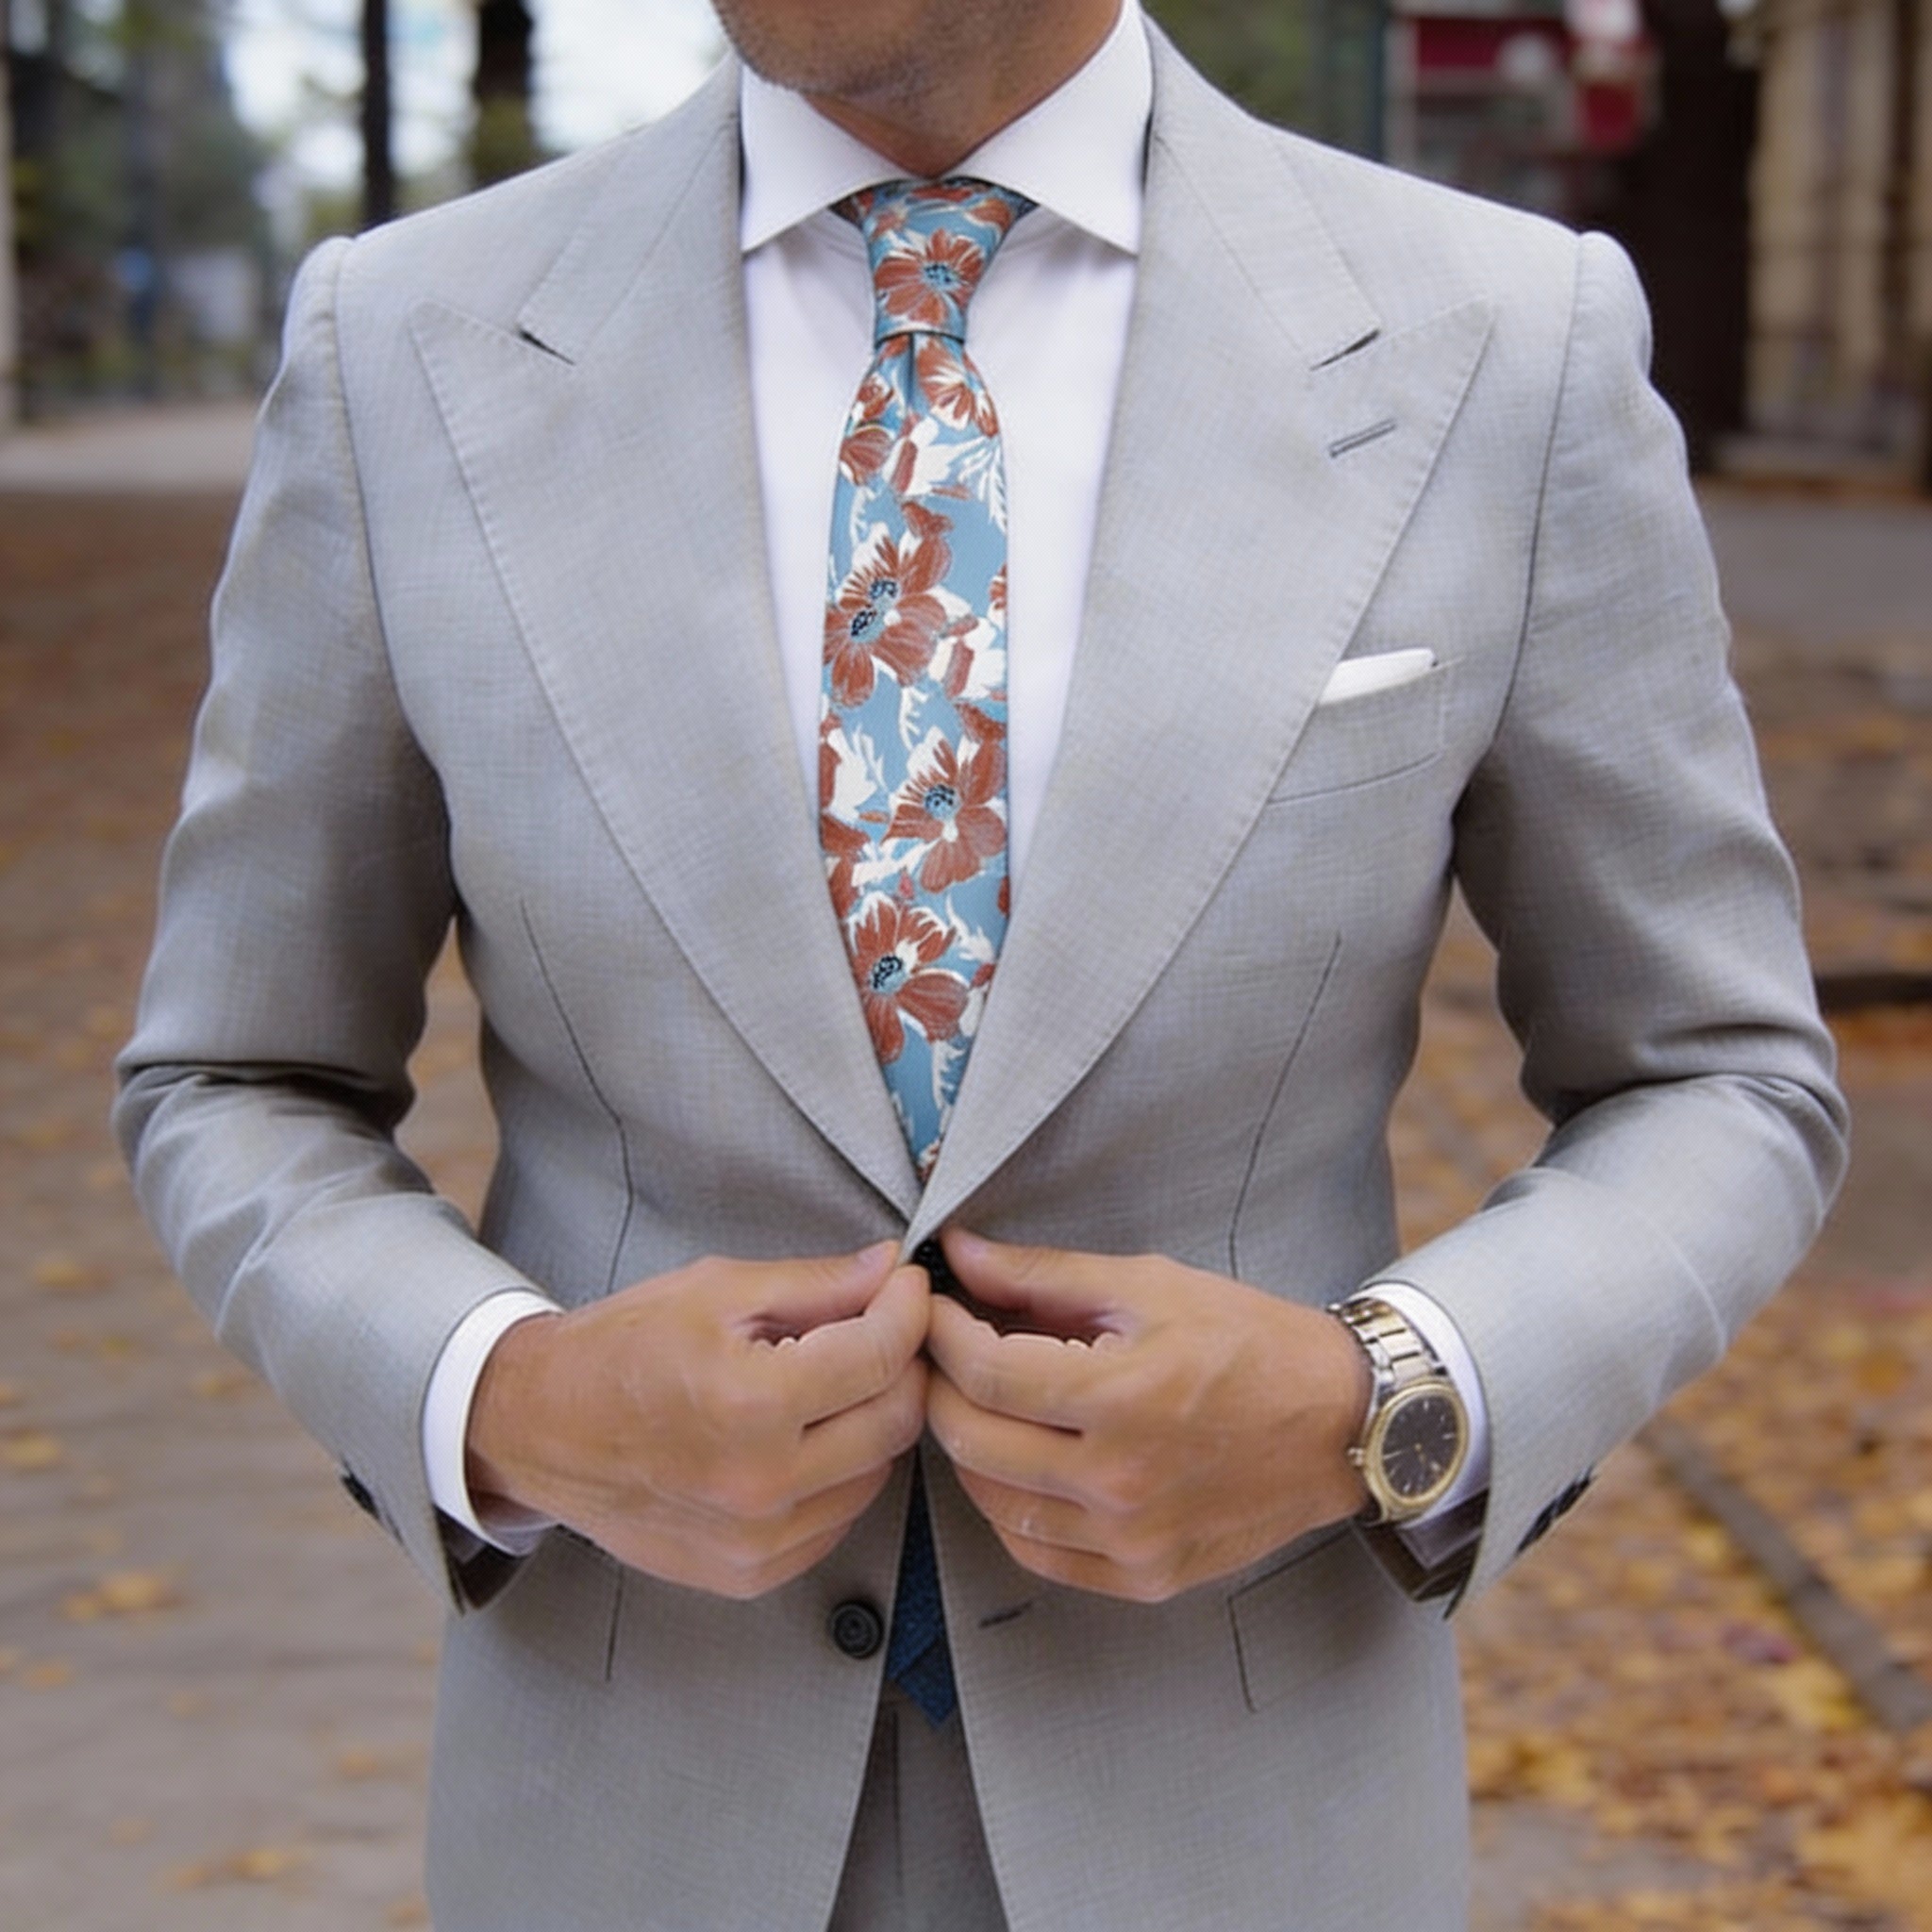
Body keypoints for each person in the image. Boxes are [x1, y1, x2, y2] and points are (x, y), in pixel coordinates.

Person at [116, 1, 1846, 1926]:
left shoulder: (1503, 341)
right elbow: (236, 1073)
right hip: (627, 1809)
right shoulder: (402, 345)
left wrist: (1381, 1401)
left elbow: (1715, 1076)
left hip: (1243, 1813)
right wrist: (503, 1400)